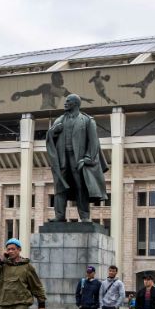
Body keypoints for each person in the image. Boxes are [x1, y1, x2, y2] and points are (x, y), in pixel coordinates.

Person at [46, 94, 109, 222]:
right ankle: (59, 216)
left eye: (68, 101)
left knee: (81, 187)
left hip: (78, 160)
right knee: (60, 187)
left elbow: (93, 142)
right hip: (63, 159)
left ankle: (84, 216)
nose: (65, 103)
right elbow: (50, 137)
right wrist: (52, 132)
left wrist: (86, 159)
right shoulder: (59, 120)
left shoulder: (87, 121)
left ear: (75, 104)